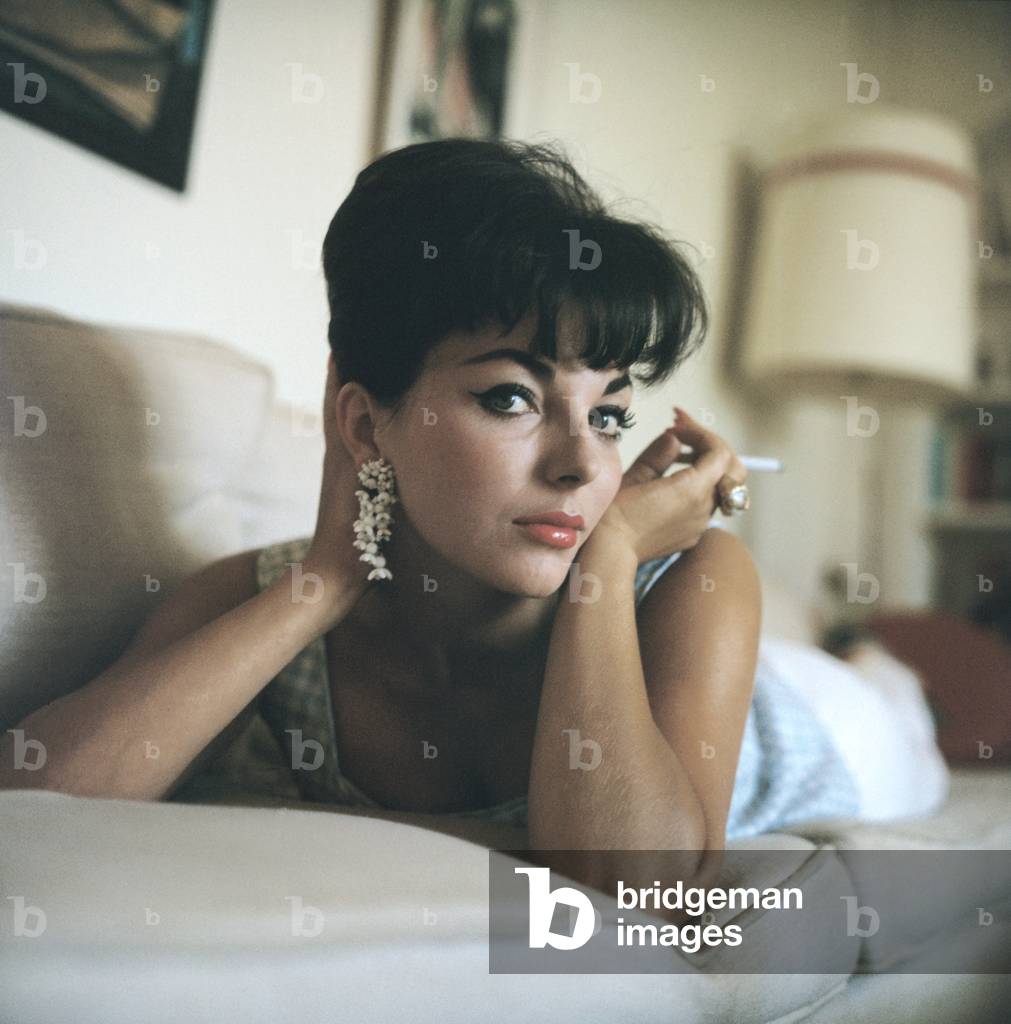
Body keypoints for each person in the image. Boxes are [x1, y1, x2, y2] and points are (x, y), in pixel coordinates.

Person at [0, 139, 943, 884]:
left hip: (825, 727)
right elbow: (33, 805)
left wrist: (609, 558)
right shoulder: (256, 599)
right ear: (364, 424)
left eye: (608, 414)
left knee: (894, 696)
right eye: (510, 398)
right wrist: (327, 577)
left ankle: (868, 657)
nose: (583, 465)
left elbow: (637, 886)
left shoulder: (687, 576)